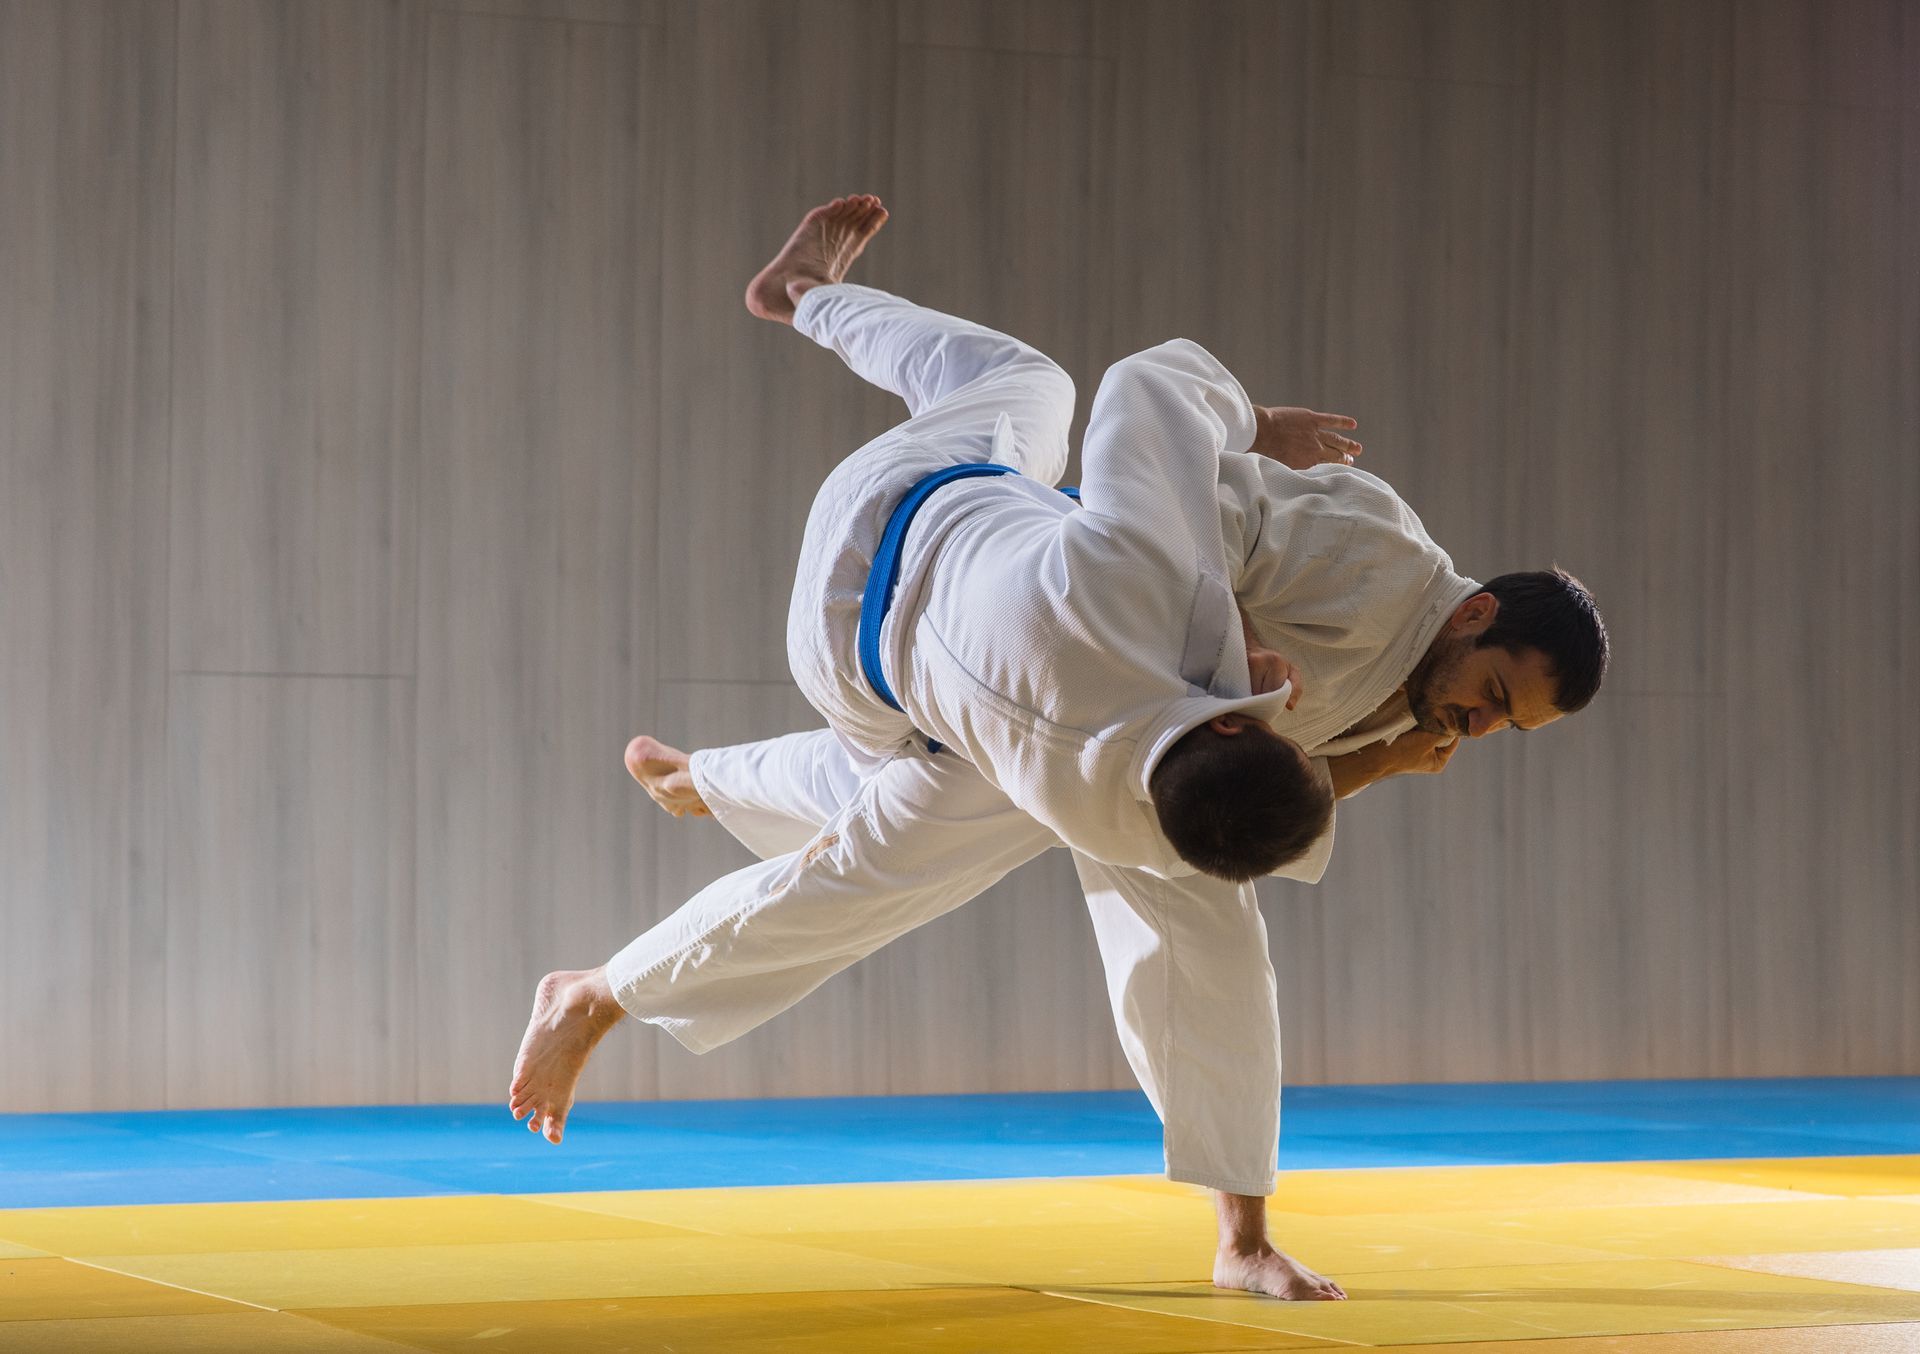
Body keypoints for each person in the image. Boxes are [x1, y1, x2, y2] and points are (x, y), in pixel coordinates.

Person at [512, 192, 1352, 1281]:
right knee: (892, 832)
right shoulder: (1068, 797)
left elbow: (1151, 382)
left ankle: (806, 298)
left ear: (1234, 714)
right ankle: (664, 859)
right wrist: (611, 990)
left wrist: (1242, 430)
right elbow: (1212, 970)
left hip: (888, 538)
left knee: (1035, 384)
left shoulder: (1137, 593)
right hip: (871, 623)